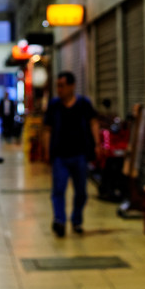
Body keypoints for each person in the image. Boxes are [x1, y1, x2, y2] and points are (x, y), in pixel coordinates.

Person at [42, 71, 100, 236]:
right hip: (60, 156)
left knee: (81, 192)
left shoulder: (83, 104)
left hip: (80, 155)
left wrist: (97, 144)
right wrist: (47, 151)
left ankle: (76, 220)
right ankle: (60, 221)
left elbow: (93, 123)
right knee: (58, 190)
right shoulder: (54, 106)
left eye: (62, 85)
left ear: (72, 86)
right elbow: (47, 130)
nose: (59, 89)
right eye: (57, 86)